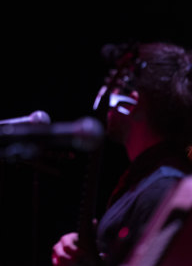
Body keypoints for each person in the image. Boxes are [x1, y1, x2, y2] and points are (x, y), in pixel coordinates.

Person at [51, 41, 192, 266]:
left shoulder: (161, 188)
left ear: (131, 102)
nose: (108, 99)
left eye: (115, 88)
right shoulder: (146, 181)